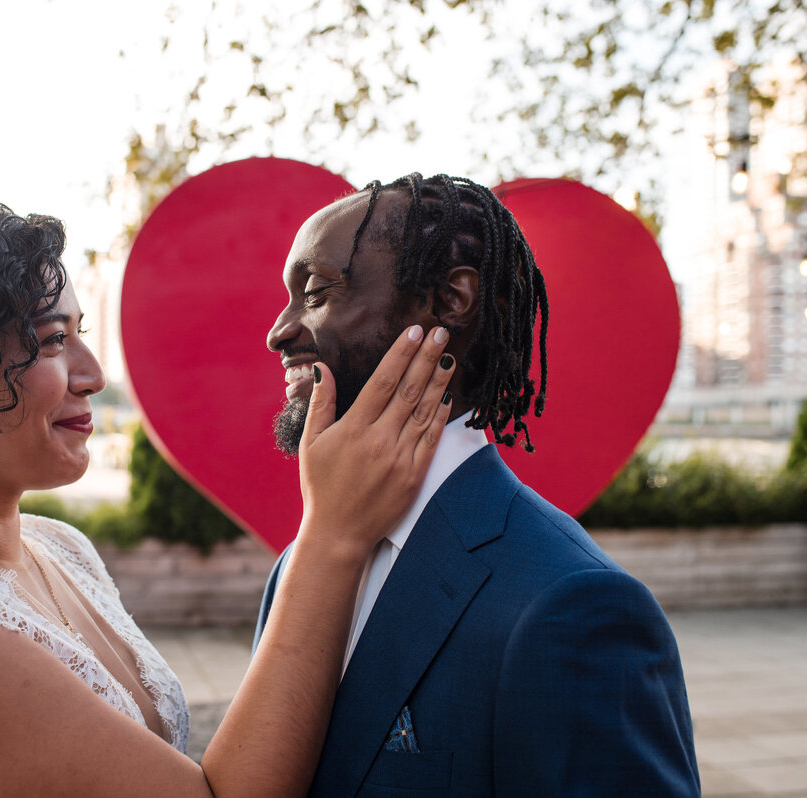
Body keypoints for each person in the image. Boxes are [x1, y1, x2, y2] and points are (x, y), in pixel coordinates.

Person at [0, 191, 455, 798]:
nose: (93, 375)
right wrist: (332, 535)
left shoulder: (59, 547)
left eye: (82, 336)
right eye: (51, 342)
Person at [258, 173, 700, 796]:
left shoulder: (574, 607)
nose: (279, 331)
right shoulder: (297, 568)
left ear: (450, 300)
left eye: (318, 292)